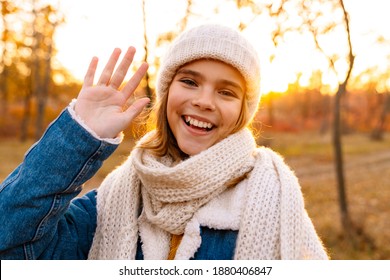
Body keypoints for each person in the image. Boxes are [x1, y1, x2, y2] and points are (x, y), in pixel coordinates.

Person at [0, 24, 328, 260]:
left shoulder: (273, 197)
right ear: (167, 91)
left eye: (226, 92)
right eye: (189, 81)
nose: (204, 101)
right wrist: (78, 136)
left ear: (243, 110)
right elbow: (12, 247)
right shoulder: (115, 199)